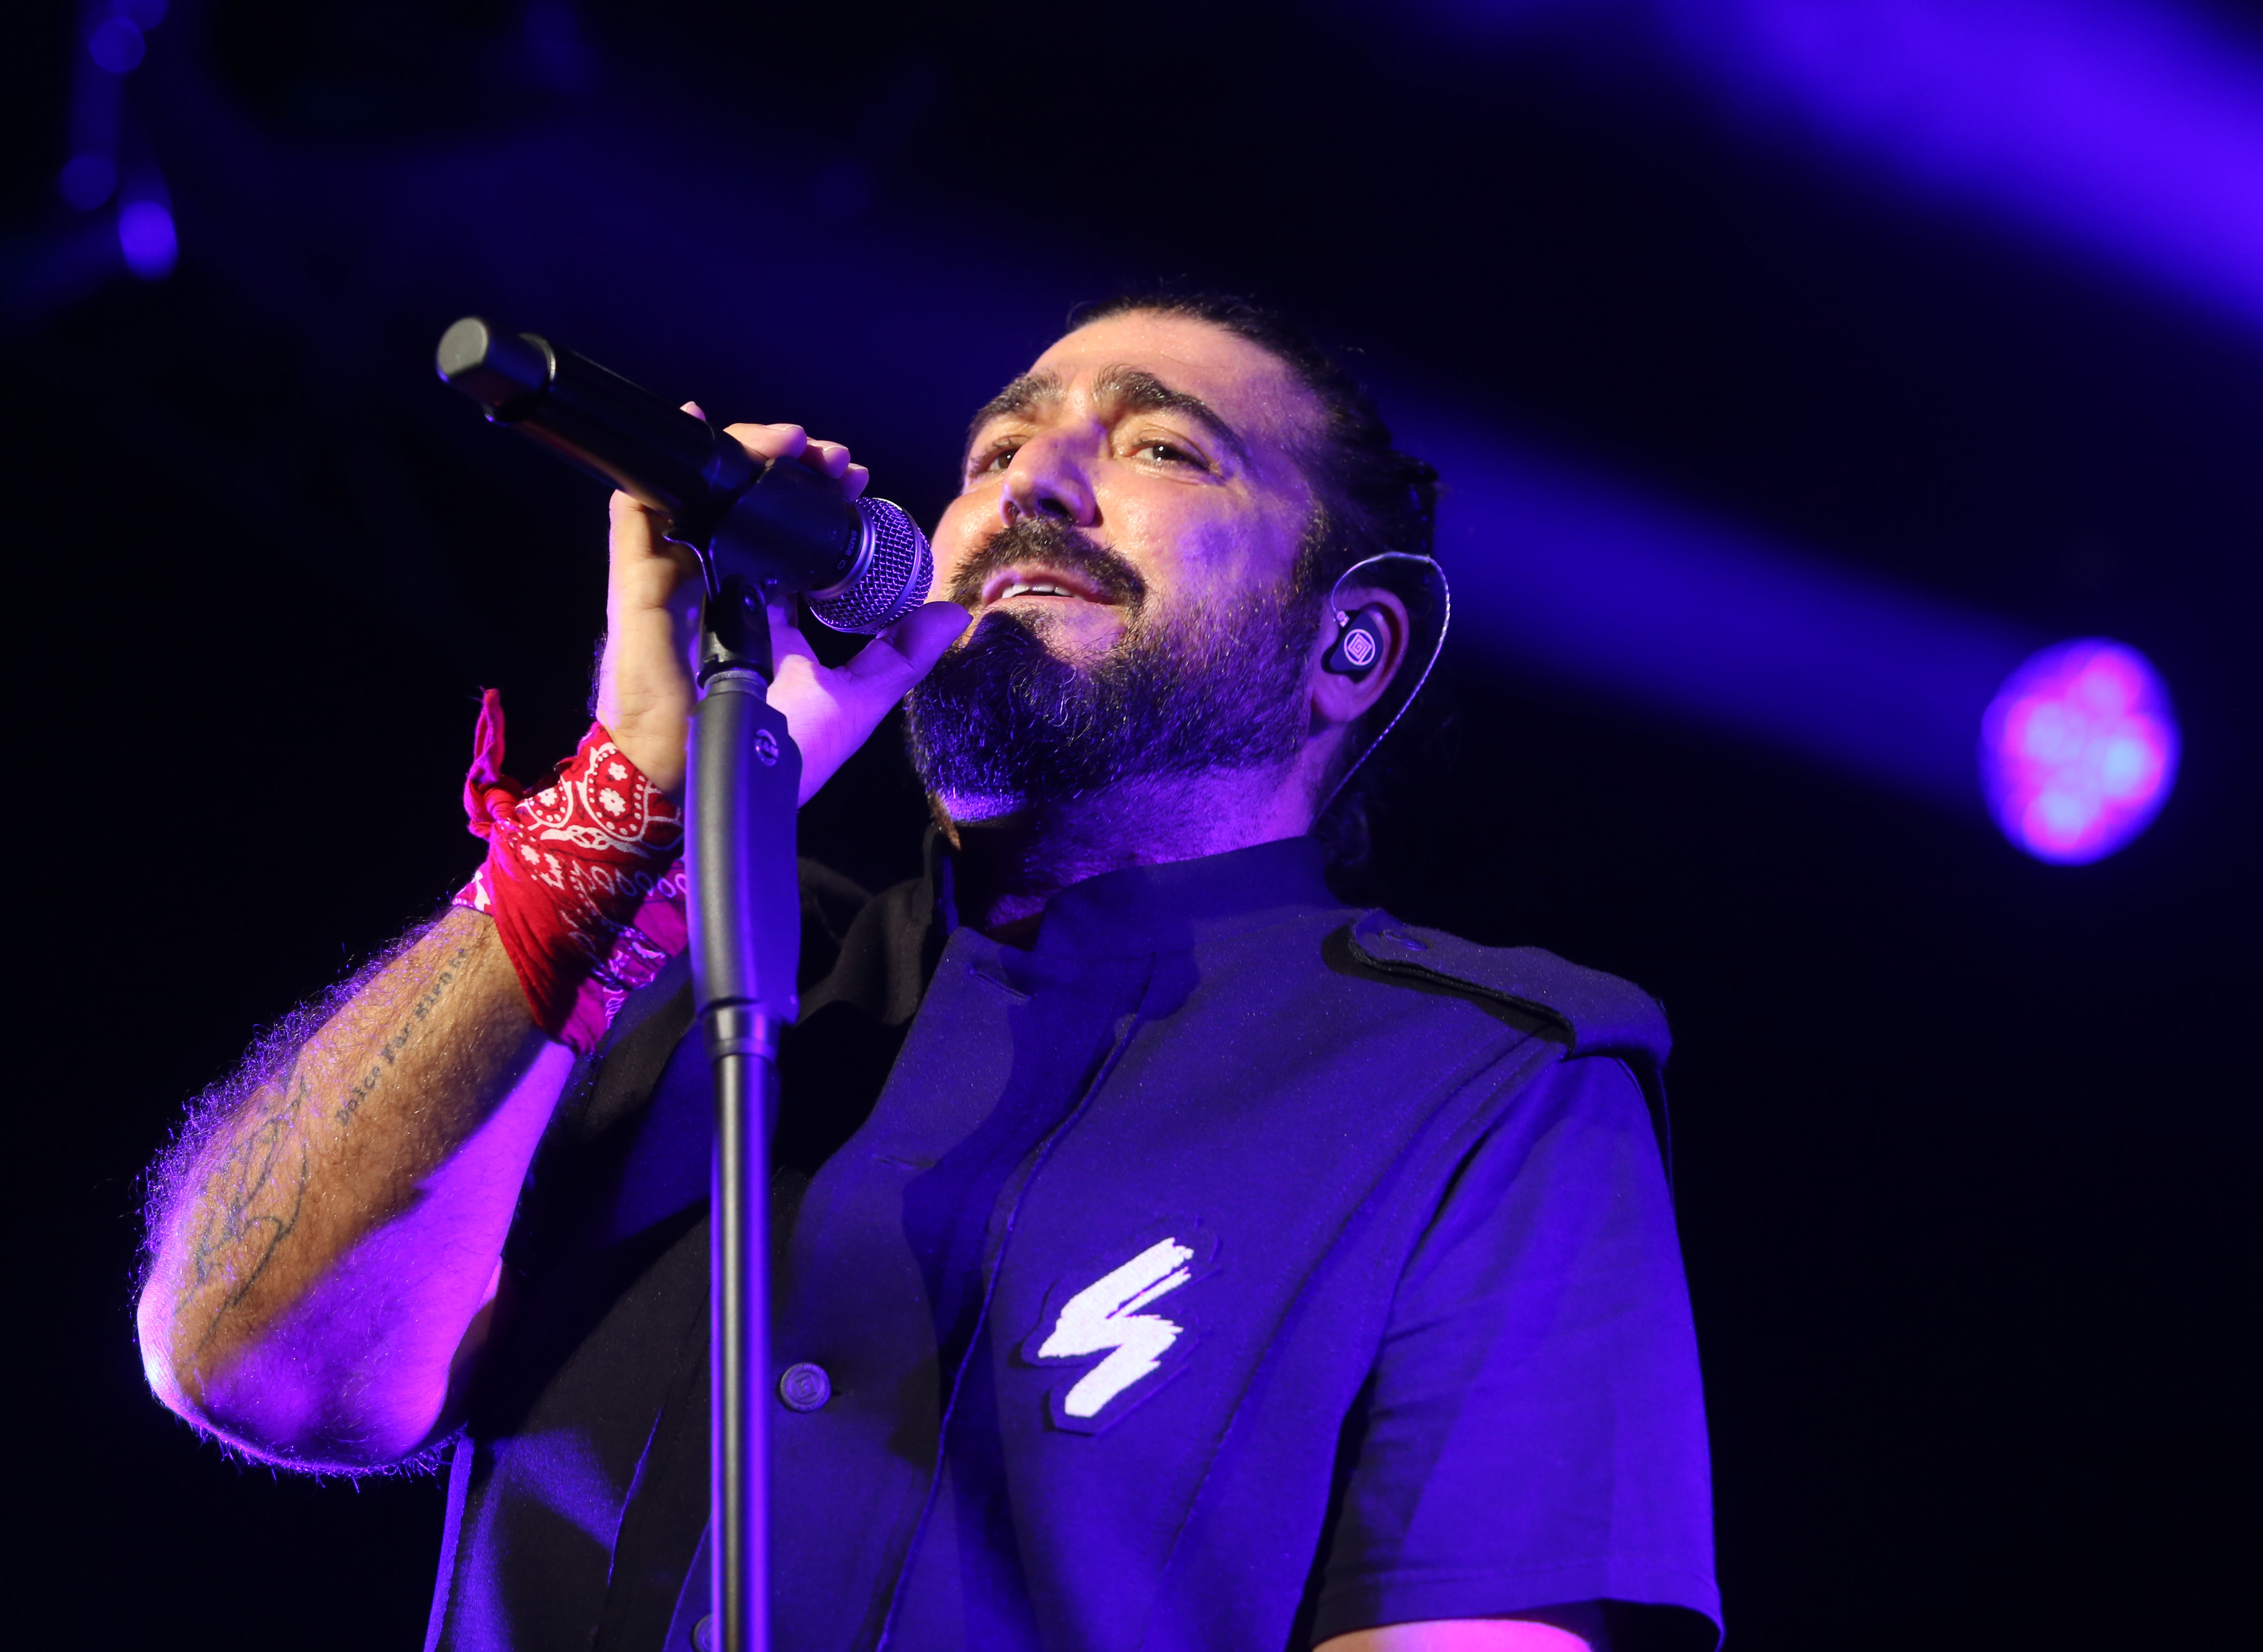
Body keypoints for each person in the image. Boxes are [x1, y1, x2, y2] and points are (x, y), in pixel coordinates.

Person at [137, 295, 1721, 1652]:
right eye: (992, 454)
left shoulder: (1476, 1088)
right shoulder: (673, 964)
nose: (1037, 479)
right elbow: (249, 1359)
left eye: (1160, 446)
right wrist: (631, 800)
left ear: (1351, 645)